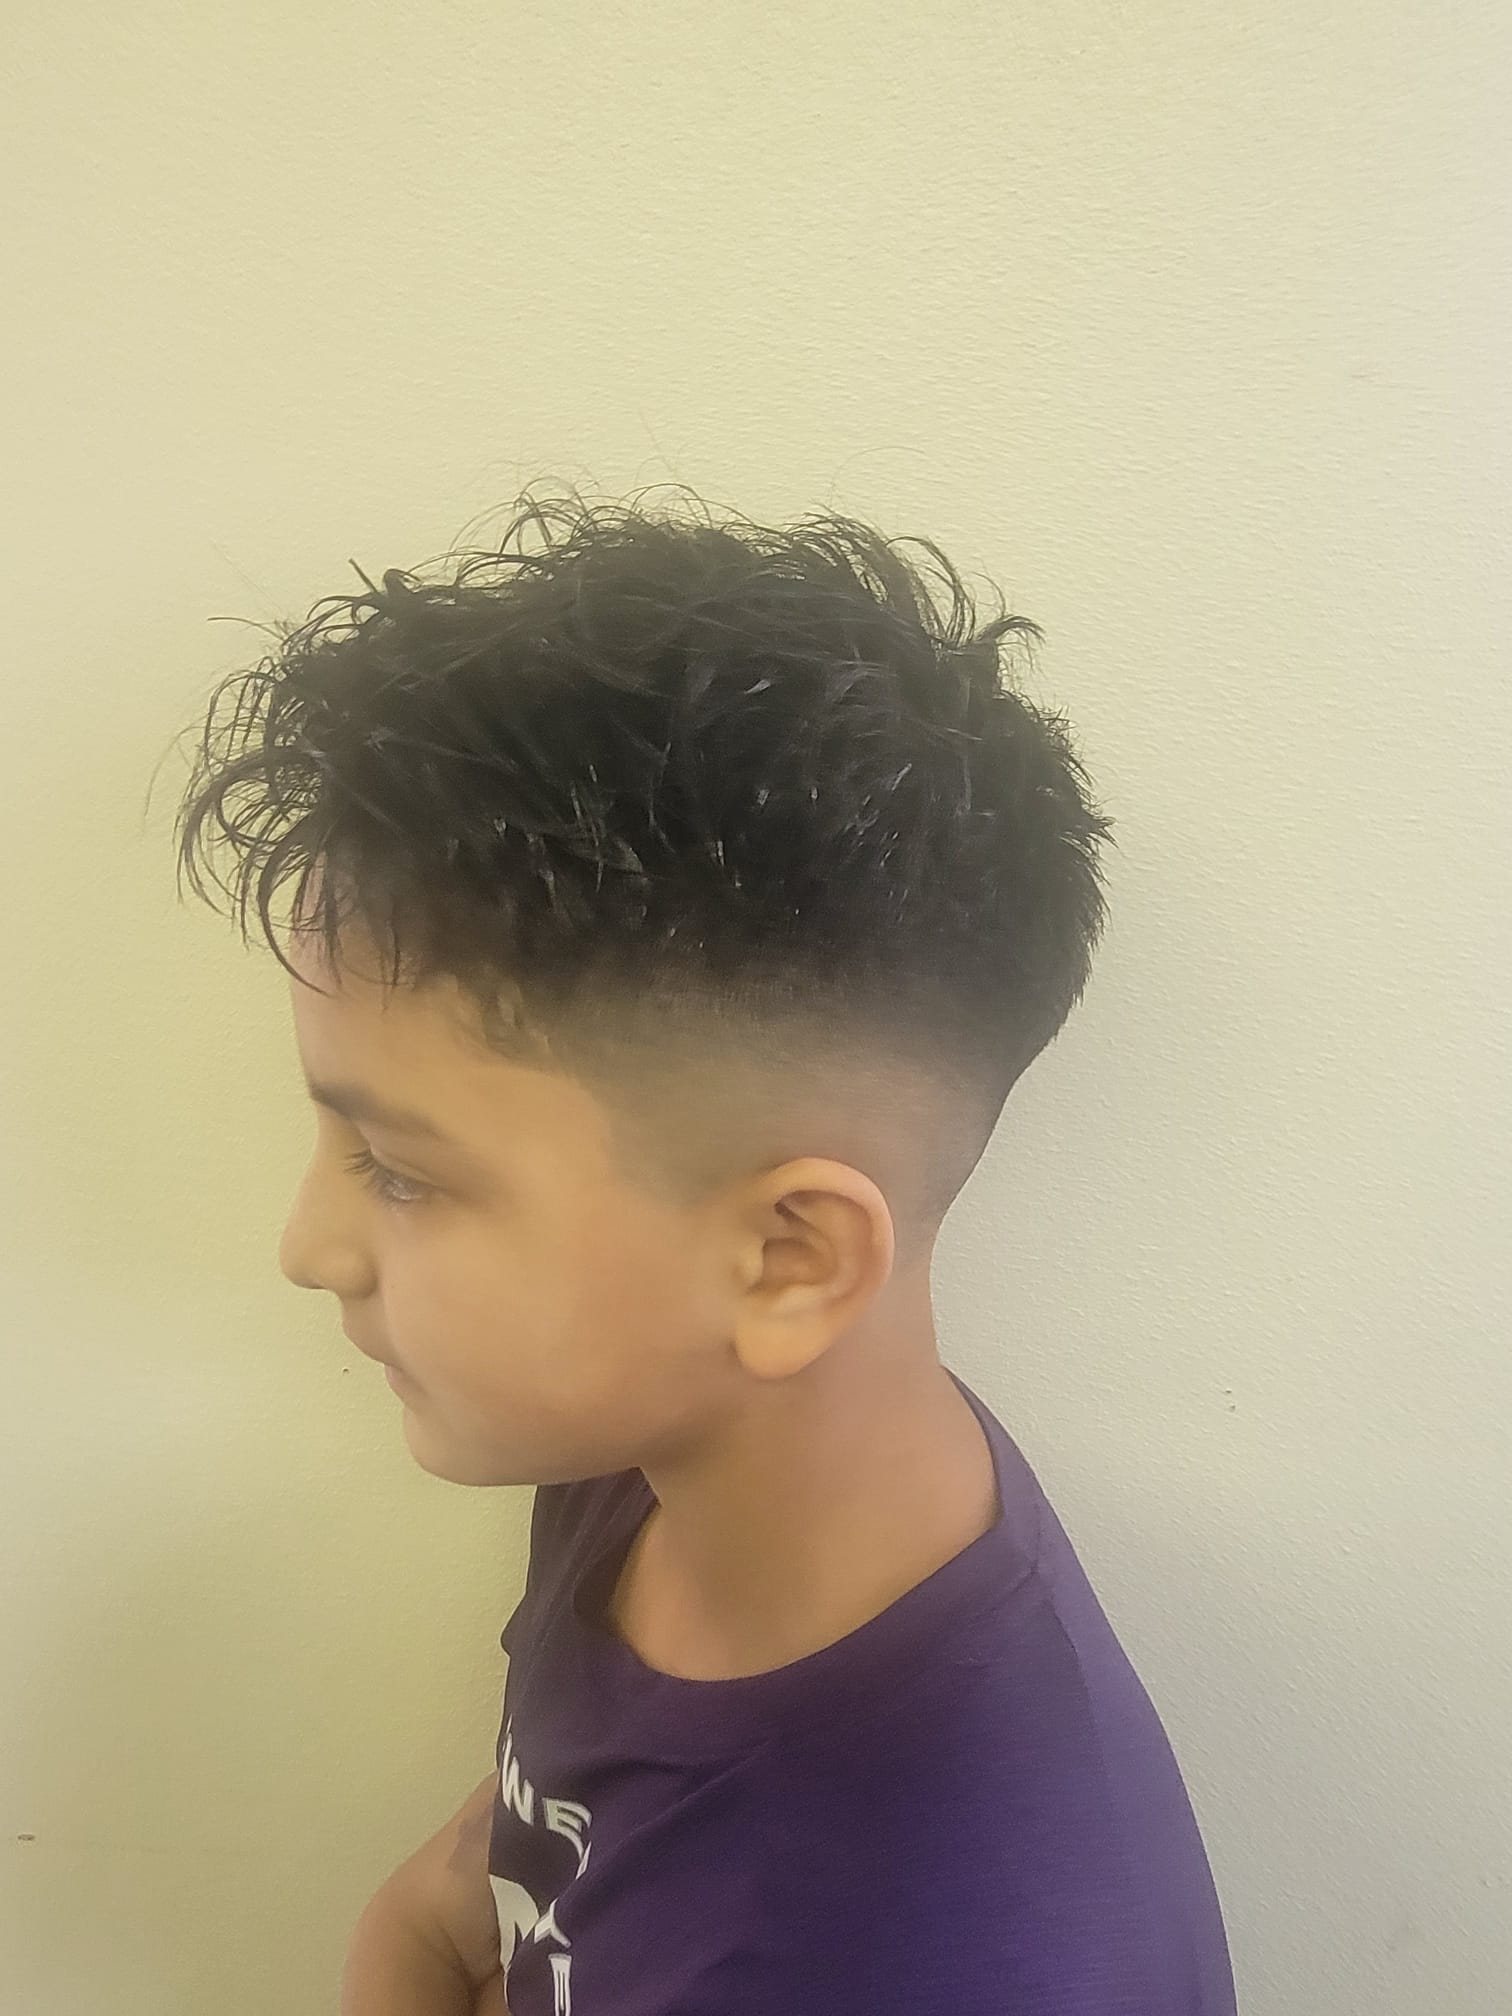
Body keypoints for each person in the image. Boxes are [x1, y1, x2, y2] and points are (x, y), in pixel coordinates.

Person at [168, 483, 1237, 2013]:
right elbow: (447, 1915)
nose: (308, 1247)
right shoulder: (659, 1460)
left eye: (397, 1171)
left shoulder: (942, 1949)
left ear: (789, 1261)